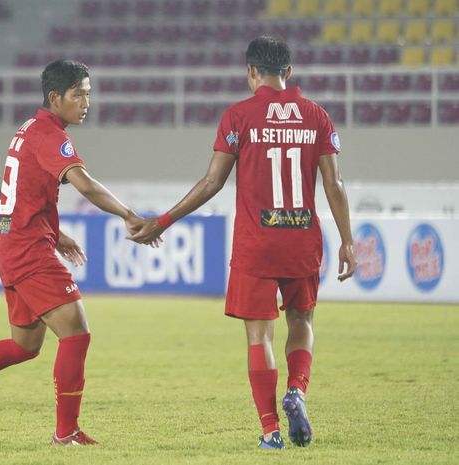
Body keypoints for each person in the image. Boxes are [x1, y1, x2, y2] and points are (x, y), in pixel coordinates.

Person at [129, 36, 356, 449]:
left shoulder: (239, 117)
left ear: (251, 72)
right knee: (301, 322)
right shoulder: (317, 117)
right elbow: (334, 182)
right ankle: (297, 391)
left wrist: (163, 221)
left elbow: (212, 182)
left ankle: (271, 431)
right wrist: (348, 241)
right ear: (289, 72)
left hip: (257, 241)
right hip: (302, 239)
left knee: (259, 336)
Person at [0, 59, 153, 446]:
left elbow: (25, 192)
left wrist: (55, 233)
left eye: (88, 95)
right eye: (78, 95)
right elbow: (86, 185)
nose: (85, 102)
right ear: (54, 97)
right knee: (76, 333)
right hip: (27, 250)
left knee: (24, 345)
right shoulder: (49, 135)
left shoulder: (29, 128)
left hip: (17, 243)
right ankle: (67, 432)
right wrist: (128, 214)